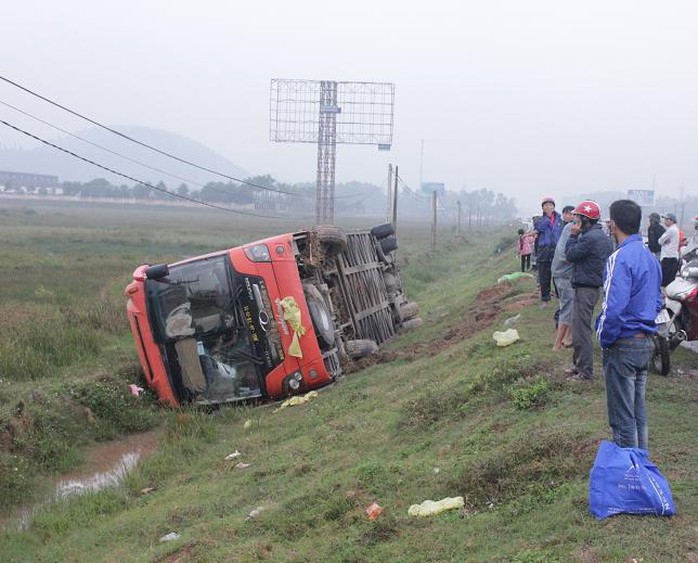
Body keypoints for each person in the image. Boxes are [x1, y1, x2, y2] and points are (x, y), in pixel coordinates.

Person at [596, 199, 662, 450]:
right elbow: (658, 301)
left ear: (612, 225)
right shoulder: (649, 257)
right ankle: (641, 468)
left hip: (622, 345)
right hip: (645, 341)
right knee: (638, 413)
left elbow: (613, 308)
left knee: (622, 419)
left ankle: (629, 476)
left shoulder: (619, 258)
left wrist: (604, 338)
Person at [564, 200, 613, 380]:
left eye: (578, 218)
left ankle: (585, 371)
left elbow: (569, 255)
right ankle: (579, 366)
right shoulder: (601, 236)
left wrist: (572, 236)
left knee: (581, 330)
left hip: (586, 288)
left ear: (586, 219)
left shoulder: (588, 238)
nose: (575, 221)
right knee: (578, 328)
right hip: (589, 286)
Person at [551, 210, 575, 350]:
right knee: (568, 306)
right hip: (564, 274)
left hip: (561, 273)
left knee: (570, 305)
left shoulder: (568, 228)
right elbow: (570, 254)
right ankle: (558, 343)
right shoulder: (572, 230)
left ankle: (569, 337)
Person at [533, 196, 563, 307]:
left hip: (556, 251)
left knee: (558, 276)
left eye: (550, 205)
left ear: (554, 206)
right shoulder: (539, 220)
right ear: (542, 208)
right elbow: (539, 228)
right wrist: (547, 217)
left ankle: (560, 300)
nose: (548, 207)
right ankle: (545, 300)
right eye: (545, 205)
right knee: (544, 277)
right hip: (544, 251)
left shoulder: (560, 220)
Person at [658, 213, 680, 287]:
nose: (665, 221)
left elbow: (660, 241)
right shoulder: (674, 229)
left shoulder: (671, 230)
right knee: (669, 280)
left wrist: (663, 242)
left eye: (667, 219)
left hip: (668, 257)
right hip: (672, 256)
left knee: (665, 280)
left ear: (672, 220)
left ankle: (665, 295)